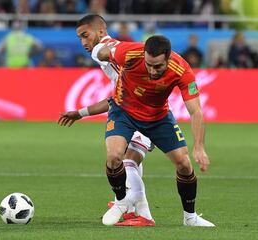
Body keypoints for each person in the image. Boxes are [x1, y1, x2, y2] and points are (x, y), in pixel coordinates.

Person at [59, 33, 215, 227]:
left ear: (168, 58)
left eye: (157, 66)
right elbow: (104, 52)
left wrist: (199, 147)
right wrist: (101, 52)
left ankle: (190, 218)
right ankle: (123, 201)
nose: (152, 70)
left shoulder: (182, 70)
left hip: (158, 118)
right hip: (123, 112)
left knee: (184, 164)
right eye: (148, 64)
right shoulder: (130, 53)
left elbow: (196, 111)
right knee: (114, 156)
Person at [71, 14, 155, 227]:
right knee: (130, 158)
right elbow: (117, 95)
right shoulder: (110, 52)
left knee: (128, 159)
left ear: (100, 32)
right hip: (132, 107)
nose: (83, 43)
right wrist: (81, 113)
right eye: (80, 38)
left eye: (85, 35)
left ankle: (138, 211)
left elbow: (134, 56)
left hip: (145, 110)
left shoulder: (103, 51)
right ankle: (132, 206)